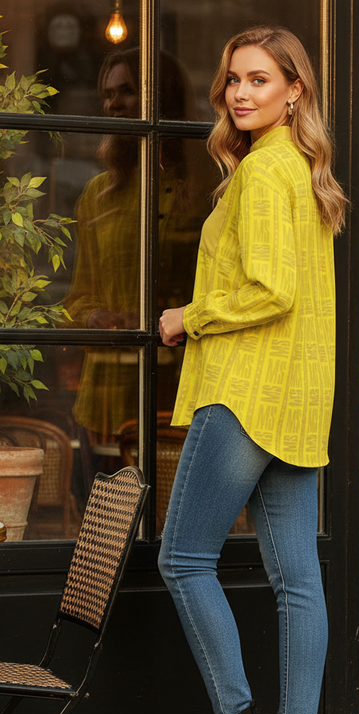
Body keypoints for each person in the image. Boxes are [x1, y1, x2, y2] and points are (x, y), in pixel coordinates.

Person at [158, 24, 347, 714]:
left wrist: (187, 314)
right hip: (299, 403)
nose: (240, 92)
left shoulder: (267, 173)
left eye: (260, 80)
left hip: (244, 395)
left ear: (294, 89)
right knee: (298, 583)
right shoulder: (300, 170)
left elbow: (269, 290)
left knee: (182, 560)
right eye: (234, 79)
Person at [64, 48, 203, 450]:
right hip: (105, 401)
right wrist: (96, 318)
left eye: (127, 90)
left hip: (179, 391)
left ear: (164, 99)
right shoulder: (96, 196)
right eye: (107, 94)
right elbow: (75, 300)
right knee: (107, 514)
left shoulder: (205, 190)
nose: (113, 103)